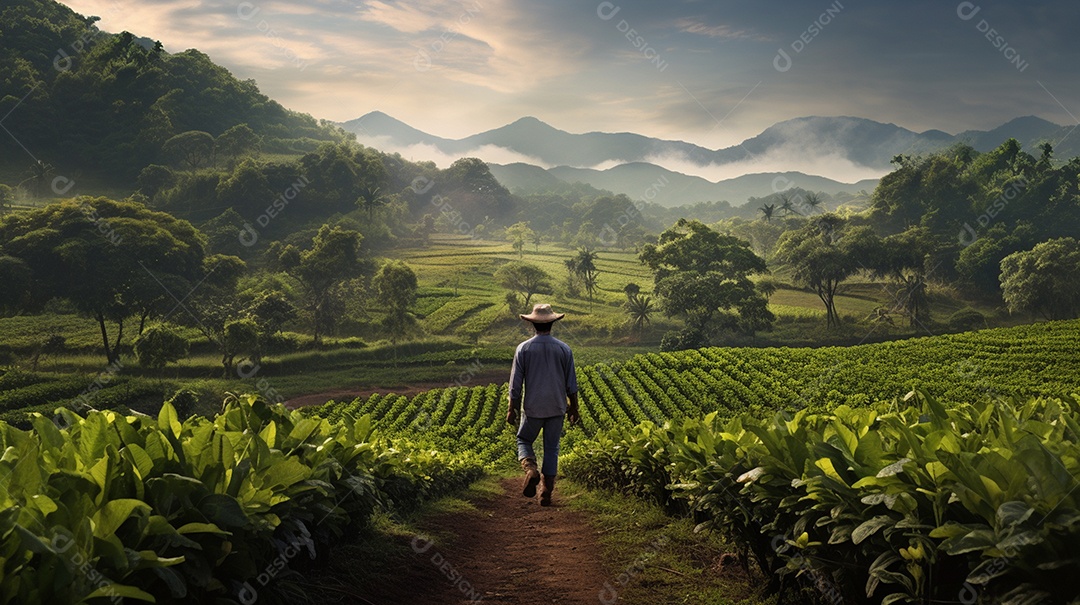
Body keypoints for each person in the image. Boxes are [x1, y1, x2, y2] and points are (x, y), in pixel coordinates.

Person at [506, 303, 580, 506]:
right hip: (557, 407)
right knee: (552, 448)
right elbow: (571, 384)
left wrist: (511, 408)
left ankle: (530, 469)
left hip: (533, 407)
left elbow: (515, 384)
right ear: (553, 323)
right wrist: (574, 408)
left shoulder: (524, 348)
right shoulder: (564, 349)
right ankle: (546, 490)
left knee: (523, 439)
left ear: (532, 324)